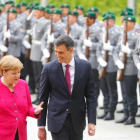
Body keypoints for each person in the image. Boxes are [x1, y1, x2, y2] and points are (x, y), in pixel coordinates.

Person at [38, 35, 96, 140]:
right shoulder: (48, 68)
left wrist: (91, 121)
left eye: (61, 52)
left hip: (77, 120)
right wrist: (41, 126)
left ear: (71, 50)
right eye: (56, 51)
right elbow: (43, 99)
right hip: (57, 119)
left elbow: (91, 96)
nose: (57, 55)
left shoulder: (85, 66)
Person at [0, 55, 43, 140]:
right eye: (14, 73)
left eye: (19, 72)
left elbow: (28, 107)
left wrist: (35, 111)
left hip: (20, 134)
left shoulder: (23, 84)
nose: (18, 75)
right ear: (4, 72)